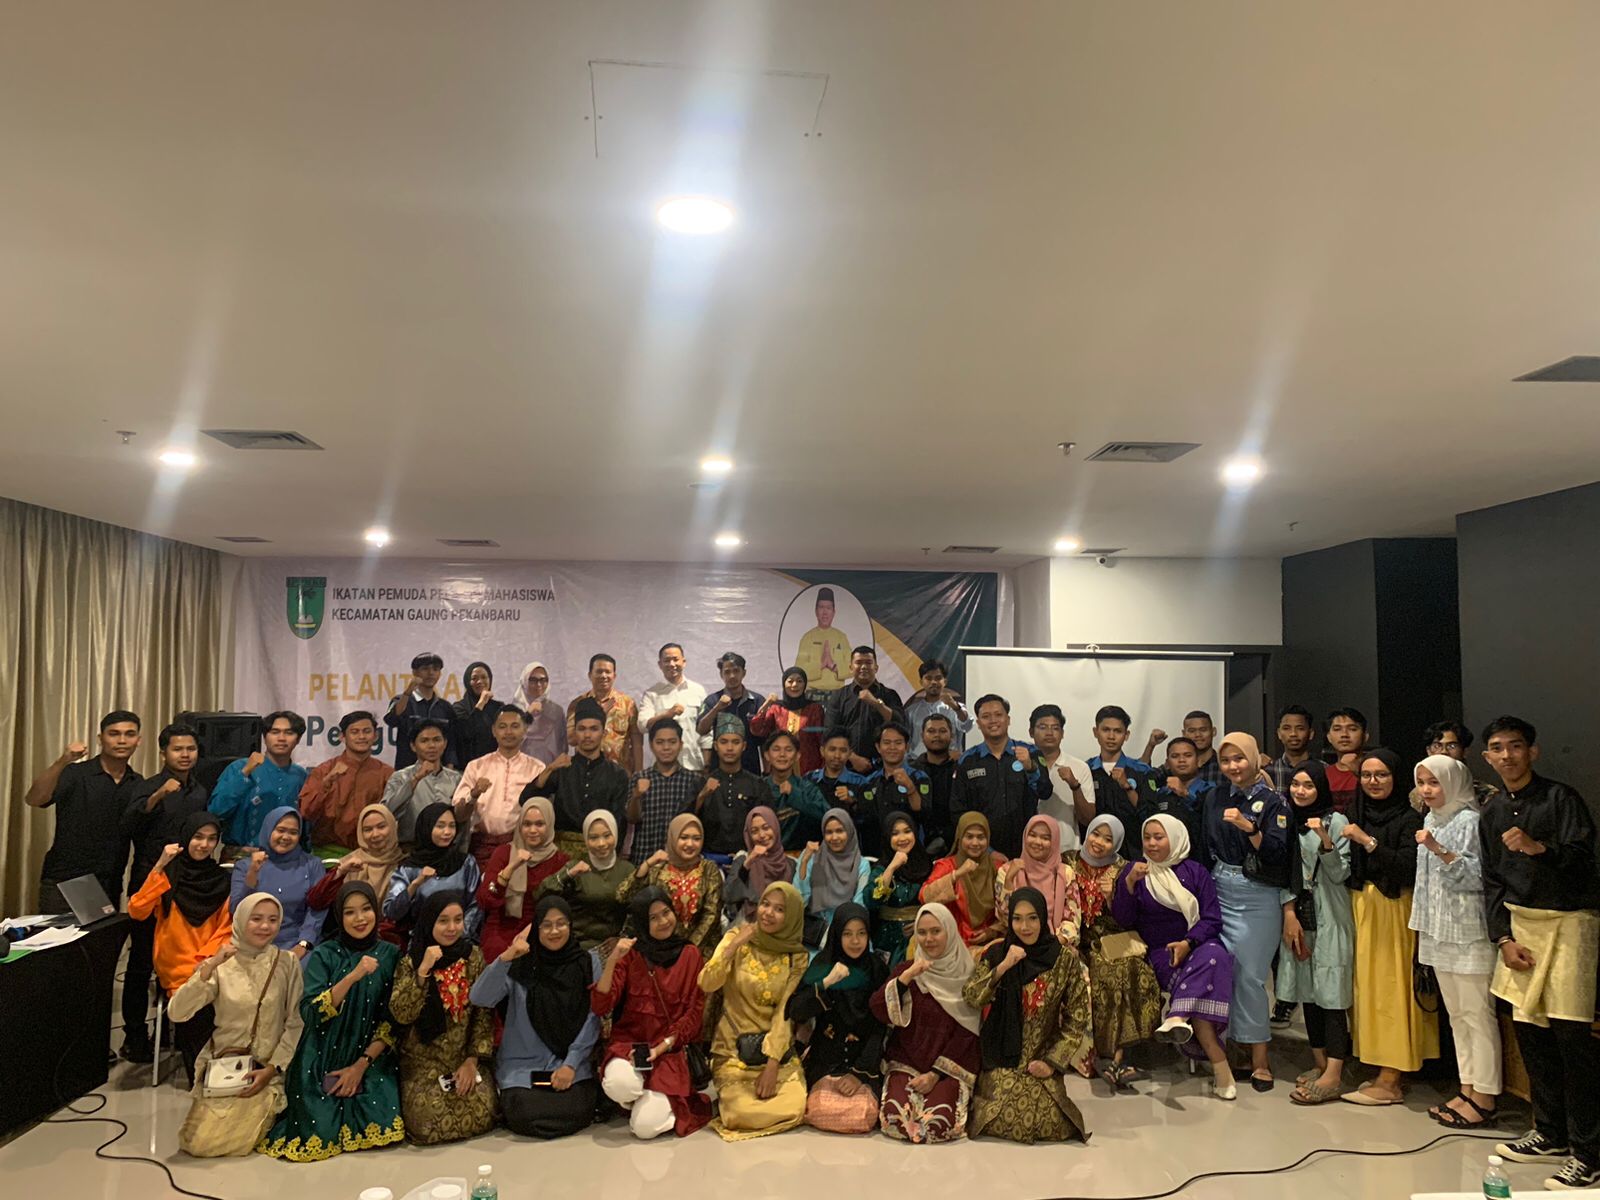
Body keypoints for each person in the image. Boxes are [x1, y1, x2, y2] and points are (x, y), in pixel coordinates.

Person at [1481, 718, 1600, 1190]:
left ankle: (1588, 1151)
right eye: (1497, 748)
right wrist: (1502, 939)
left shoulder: (1561, 799)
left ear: (1533, 751)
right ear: (1487, 758)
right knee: (1531, 1035)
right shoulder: (1492, 811)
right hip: (1521, 926)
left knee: (1573, 1040)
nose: (1507, 756)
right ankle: (1550, 1132)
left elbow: (1584, 861)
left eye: (1515, 747)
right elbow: (1491, 880)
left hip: (1569, 922)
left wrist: (1539, 849)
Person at [258, 881, 405, 1160]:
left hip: (370, 1056)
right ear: (339, 916)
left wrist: (361, 1065)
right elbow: (311, 1013)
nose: (359, 918)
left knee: (383, 1125)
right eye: (349, 912)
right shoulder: (325, 954)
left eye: (366, 909)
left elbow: (392, 1020)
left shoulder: (391, 954)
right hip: (322, 1054)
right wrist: (352, 977)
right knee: (318, 1132)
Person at [1111, 815, 1237, 1099]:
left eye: (1159, 837)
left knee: (1216, 955)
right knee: (1208, 979)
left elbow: (1212, 919)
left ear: (1176, 838)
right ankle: (1220, 1067)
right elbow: (1124, 920)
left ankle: (1177, 1015)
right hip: (1162, 954)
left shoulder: (1196, 872)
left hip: (1198, 945)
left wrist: (1188, 943)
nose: (1152, 844)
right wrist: (1128, 884)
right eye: (1147, 838)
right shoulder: (1137, 871)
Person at [169, 893, 304, 1157]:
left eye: (272, 920)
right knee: (196, 1143)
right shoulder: (222, 964)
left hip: (266, 1069)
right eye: (256, 919)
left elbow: (295, 1022)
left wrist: (271, 1069)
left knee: (234, 1140)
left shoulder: (286, 963)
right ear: (241, 920)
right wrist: (210, 966)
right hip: (225, 1068)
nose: (265, 926)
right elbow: (177, 1012)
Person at [1339, 748, 1438, 1106]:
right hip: (1360, 906)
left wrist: (1368, 842)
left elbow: (1408, 868)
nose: (1373, 782)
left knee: (1392, 989)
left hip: (1394, 909)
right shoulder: (1356, 812)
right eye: (1366, 775)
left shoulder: (1410, 819)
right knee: (1367, 990)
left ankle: (1392, 1077)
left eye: (1381, 774)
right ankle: (1378, 1064)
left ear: (1396, 778)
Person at [1409, 754, 1499, 1129]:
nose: (1427, 790)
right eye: (1422, 783)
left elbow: (1477, 876)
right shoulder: (1431, 818)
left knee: (1478, 1016)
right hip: (1438, 930)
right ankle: (1467, 1089)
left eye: (1435, 782)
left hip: (1468, 932)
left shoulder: (1470, 821)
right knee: (1457, 1016)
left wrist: (1437, 848)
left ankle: (1486, 1097)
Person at [963, 886, 1092, 1144]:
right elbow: (972, 997)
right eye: (1017, 919)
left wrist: (1052, 1062)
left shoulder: (1062, 960)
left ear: (1043, 917)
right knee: (1000, 1115)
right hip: (1001, 1057)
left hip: (1041, 1054)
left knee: (1048, 1120)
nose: (1025, 927)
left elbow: (1077, 1016)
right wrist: (1003, 967)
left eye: (1032, 918)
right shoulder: (997, 953)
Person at [1202, 731, 1292, 1091]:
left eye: (1239, 758)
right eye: (1226, 760)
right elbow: (1205, 842)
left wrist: (1249, 829)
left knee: (1251, 977)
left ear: (1254, 759)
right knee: (1224, 972)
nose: (1233, 766)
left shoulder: (1273, 801)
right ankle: (1232, 1052)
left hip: (1257, 894)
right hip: (1219, 886)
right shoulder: (1215, 796)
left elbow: (1279, 853)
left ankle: (1260, 1060)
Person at [469, 897, 602, 1139]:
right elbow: (480, 997)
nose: (554, 931)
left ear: (571, 925)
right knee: (525, 1111)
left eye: (561, 923)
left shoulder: (587, 963)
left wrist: (571, 1063)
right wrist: (507, 957)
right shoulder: (520, 965)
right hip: (523, 1067)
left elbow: (594, 1017)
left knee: (577, 1108)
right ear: (536, 929)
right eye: (546, 925)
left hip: (570, 1067)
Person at [590, 886, 712, 1139]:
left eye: (666, 913)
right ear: (641, 923)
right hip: (629, 1047)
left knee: (644, 1128)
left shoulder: (690, 954)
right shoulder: (630, 955)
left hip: (669, 1052)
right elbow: (601, 1006)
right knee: (619, 1085)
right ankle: (644, 1095)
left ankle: (651, 1098)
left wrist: (663, 1046)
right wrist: (612, 960)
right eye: (653, 918)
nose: (663, 921)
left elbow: (694, 1013)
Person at [120, 721, 208, 1064]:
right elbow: (128, 826)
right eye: (177, 749)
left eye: (190, 749)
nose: (185, 755)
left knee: (178, 959)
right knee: (141, 962)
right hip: (150, 884)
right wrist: (159, 795)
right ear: (163, 753)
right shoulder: (147, 786)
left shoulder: (200, 791)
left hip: (186, 886)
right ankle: (134, 1036)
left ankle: (171, 1029)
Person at [697, 881, 811, 1140]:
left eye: (779, 909)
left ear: (792, 916)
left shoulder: (797, 956)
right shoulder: (736, 938)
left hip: (775, 1050)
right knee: (739, 1113)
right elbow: (706, 983)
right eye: (765, 904)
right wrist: (733, 947)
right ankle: (729, 1101)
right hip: (733, 1049)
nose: (768, 913)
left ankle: (733, 1101)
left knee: (795, 1107)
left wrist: (772, 1066)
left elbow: (785, 1012)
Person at [127, 812, 233, 1083]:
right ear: (186, 837)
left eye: (212, 839)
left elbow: (225, 929)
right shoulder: (167, 875)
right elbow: (137, 910)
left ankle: (223, 1075)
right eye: (198, 837)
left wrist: (207, 961)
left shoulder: (221, 880)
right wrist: (160, 865)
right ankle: (204, 1078)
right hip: (176, 965)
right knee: (195, 1005)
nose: (204, 844)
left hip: (211, 963)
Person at [388, 891, 496, 1145]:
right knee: (426, 1122)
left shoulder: (473, 957)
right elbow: (401, 1014)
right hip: (424, 1061)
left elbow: (482, 1012)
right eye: (443, 921)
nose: (452, 928)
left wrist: (471, 1061)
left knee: (485, 1110)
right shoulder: (411, 961)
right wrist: (423, 971)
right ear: (429, 922)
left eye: (458, 920)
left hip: (463, 1056)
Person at [869, 903, 982, 1143]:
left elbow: (968, 1033)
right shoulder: (907, 970)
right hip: (906, 1062)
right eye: (922, 932)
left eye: (936, 931)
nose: (928, 939)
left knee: (937, 1125)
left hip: (948, 1068)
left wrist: (934, 1074)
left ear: (949, 932)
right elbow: (878, 1009)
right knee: (896, 1121)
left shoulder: (967, 975)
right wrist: (905, 979)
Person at [1277, 763, 1354, 1105]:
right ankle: (1320, 1064)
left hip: (1330, 915)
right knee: (1308, 992)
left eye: (1308, 785)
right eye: (1295, 784)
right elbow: (1282, 872)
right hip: (1299, 915)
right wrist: (1289, 913)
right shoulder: (1285, 821)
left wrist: (1325, 840)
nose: (1300, 791)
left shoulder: (1335, 821)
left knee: (1331, 994)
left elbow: (1340, 873)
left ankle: (1334, 1074)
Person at [1070, 815, 1162, 1088]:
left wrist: (1113, 897)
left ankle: (1118, 1057)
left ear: (1118, 843)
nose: (1099, 842)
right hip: (1076, 941)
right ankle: (1110, 1058)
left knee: (1131, 970)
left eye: (1108, 839)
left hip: (1113, 939)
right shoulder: (1068, 861)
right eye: (1095, 834)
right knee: (1105, 974)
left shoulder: (1124, 869)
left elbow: (1129, 919)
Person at [29, 710, 143, 918]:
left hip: (108, 882)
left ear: (138, 740)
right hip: (66, 880)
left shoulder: (137, 783)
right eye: (114, 734)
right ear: (100, 739)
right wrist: (63, 760)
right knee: (59, 939)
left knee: (100, 939)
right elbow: (35, 799)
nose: (122, 740)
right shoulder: (75, 773)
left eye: (129, 734)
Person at [787, 902, 889, 1133]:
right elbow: (796, 1011)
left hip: (864, 1058)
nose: (855, 941)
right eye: (847, 934)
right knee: (820, 1108)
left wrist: (858, 1074)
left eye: (861, 933)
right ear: (836, 934)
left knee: (863, 1114)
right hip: (827, 1057)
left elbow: (880, 1027)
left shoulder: (877, 969)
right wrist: (827, 982)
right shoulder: (823, 964)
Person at [524, 697, 629, 859]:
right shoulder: (562, 767)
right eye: (582, 729)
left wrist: (609, 859)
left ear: (603, 733)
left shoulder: (617, 774)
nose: (587, 735)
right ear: (575, 733)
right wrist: (550, 768)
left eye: (594, 729)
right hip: (559, 853)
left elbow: (619, 823)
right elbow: (525, 800)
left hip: (600, 852)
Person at [951, 694, 1048, 858]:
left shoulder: (1030, 752)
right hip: (981, 851)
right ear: (979, 723)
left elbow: (1045, 792)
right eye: (986, 716)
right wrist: (987, 851)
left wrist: (1031, 768)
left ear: (1008, 719)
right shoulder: (967, 760)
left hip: (1027, 850)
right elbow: (958, 811)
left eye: (998, 715)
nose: (993, 721)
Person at [620, 813, 724, 961]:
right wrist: (647, 864)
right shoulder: (658, 869)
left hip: (701, 952)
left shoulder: (709, 869)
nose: (690, 844)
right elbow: (624, 896)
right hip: (661, 952)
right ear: (673, 838)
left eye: (696, 838)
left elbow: (711, 915)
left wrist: (688, 951)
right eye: (684, 837)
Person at [475, 797, 568, 962]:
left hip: (541, 928)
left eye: (539, 824)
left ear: (549, 824)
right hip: (501, 926)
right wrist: (510, 868)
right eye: (527, 824)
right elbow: (485, 900)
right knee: (497, 952)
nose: (532, 830)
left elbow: (560, 906)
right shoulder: (504, 853)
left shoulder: (560, 860)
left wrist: (532, 930)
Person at [453, 705, 545, 868]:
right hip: (482, 846)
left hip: (522, 847)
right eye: (502, 727)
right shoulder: (476, 766)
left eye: (515, 726)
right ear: (494, 731)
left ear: (525, 730)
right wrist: (474, 794)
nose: (508, 732)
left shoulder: (537, 768)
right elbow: (459, 815)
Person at [306, 805, 406, 946]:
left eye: (381, 827)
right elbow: (316, 901)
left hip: (387, 942)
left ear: (393, 826)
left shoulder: (404, 865)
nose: (375, 834)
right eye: (368, 830)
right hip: (346, 940)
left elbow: (401, 917)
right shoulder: (349, 862)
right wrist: (340, 873)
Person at [209, 711, 309, 852]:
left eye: (289, 733)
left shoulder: (300, 775)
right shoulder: (239, 767)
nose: (281, 738)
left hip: (287, 857)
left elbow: (306, 823)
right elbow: (216, 811)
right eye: (275, 732)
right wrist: (245, 773)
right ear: (264, 736)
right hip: (242, 855)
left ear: (298, 739)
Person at [231, 807, 326, 955]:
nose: (286, 837)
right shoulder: (245, 866)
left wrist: (304, 944)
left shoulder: (312, 865)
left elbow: (317, 909)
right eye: (280, 830)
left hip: (298, 943)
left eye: (293, 832)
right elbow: (236, 911)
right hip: (254, 943)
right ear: (268, 830)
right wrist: (252, 873)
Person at [383, 803, 483, 944]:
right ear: (426, 827)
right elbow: (391, 911)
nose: (447, 832)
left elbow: (476, 903)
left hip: (459, 941)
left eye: (452, 826)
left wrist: (458, 933)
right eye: (440, 826)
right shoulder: (409, 868)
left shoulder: (466, 863)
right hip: (420, 942)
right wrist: (415, 885)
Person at [537, 809, 631, 950]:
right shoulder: (576, 866)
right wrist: (568, 874)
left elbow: (634, 912)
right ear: (586, 840)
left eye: (607, 835)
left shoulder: (627, 870)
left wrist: (623, 937)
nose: (601, 843)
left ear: (616, 835)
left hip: (614, 947)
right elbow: (541, 894)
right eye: (593, 838)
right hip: (577, 946)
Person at [299, 711, 393, 851]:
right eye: (354, 732)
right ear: (342, 737)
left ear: (375, 736)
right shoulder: (324, 771)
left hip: (373, 850)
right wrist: (326, 785)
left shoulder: (386, 773)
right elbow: (306, 812)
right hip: (328, 850)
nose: (361, 737)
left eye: (367, 731)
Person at [919, 811, 1007, 948]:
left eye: (981, 837)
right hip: (951, 943)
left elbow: (1009, 910)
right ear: (959, 837)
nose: (975, 843)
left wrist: (992, 931)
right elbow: (925, 896)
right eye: (969, 836)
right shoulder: (947, 866)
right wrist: (958, 874)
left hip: (990, 945)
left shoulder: (997, 868)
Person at [1086, 705, 1159, 858]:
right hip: (1096, 853)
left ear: (1126, 735)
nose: (1111, 736)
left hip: (1134, 853)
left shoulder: (1142, 771)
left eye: (1118, 731)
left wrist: (1127, 787)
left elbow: (1151, 816)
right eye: (1106, 730)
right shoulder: (1086, 770)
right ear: (1095, 732)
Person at [629, 717, 704, 864]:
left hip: (681, 862)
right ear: (651, 745)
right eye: (660, 742)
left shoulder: (694, 780)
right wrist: (636, 796)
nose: (666, 747)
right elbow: (632, 819)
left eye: (672, 742)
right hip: (644, 856)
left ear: (681, 745)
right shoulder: (640, 778)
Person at [998, 814, 1080, 947]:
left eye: (1045, 838)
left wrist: (1054, 944)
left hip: (1055, 943)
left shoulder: (1065, 873)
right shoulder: (1007, 871)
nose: (1037, 842)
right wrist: (1009, 881)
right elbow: (1004, 920)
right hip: (1017, 944)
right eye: (1032, 835)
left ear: (1054, 841)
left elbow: (1072, 920)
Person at [797, 808, 872, 950]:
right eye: (829, 832)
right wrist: (804, 862)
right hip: (814, 939)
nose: (834, 837)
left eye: (840, 831)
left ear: (849, 831)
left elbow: (859, 908)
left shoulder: (861, 865)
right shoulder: (812, 859)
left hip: (849, 937)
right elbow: (799, 901)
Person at [822, 646, 906, 772]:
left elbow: (899, 724)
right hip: (846, 766)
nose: (863, 667)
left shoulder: (890, 695)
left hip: (883, 767)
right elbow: (830, 732)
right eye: (859, 662)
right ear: (851, 667)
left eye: (868, 663)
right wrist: (853, 758)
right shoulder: (839, 696)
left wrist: (877, 704)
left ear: (876, 667)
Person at [379, 719, 462, 845]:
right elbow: (386, 813)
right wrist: (415, 779)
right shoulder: (400, 777)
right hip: (410, 848)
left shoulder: (456, 778)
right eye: (424, 741)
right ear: (413, 746)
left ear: (445, 743)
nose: (432, 745)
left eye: (437, 740)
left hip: (448, 849)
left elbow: (464, 820)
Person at [693, 715, 766, 858]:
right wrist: (701, 796)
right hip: (708, 860)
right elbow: (685, 821)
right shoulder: (701, 783)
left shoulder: (757, 785)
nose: (730, 748)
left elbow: (767, 827)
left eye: (735, 742)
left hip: (749, 859)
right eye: (724, 742)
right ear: (715, 746)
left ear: (744, 746)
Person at [868, 811, 934, 964]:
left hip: (924, 936)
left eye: (907, 831)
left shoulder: (927, 864)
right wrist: (891, 867)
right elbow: (871, 900)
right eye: (895, 833)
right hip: (889, 940)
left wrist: (922, 923)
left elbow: (937, 901)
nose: (902, 838)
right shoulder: (881, 867)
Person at [857, 721, 931, 857]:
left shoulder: (919, 777)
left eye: (898, 743)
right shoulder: (868, 782)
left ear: (906, 747)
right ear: (878, 747)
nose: (892, 747)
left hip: (912, 852)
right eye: (887, 743)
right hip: (877, 853)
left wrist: (910, 787)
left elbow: (923, 814)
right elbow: (866, 821)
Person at [1027, 703, 1092, 855]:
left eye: (1055, 728)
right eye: (1043, 727)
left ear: (1062, 733)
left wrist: (1074, 785)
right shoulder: (1022, 766)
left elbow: (1088, 819)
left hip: (1067, 852)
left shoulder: (1079, 767)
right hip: (1028, 851)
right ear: (1031, 732)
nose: (1049, 733)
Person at [638, 642, 709, 771]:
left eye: (675, 659)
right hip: (662, 769)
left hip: (695, 765)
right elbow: (642, 725)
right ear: (660, 665)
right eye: (667, 660)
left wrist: (707, 764)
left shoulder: (698, 691)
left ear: (684, 662)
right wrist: (667, 715)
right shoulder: (652, 694)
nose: (672, 664)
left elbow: (707, 731)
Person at [567, 652, 641, 773]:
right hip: (587, 773)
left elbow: (636, 741)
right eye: (599, 671)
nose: (603, 676)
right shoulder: (578, 704)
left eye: (607, 672)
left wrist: (639, 773)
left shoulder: (628, 704)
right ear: (590, 675)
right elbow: (571, 739)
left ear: (614, 675)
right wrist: (597, 714)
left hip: (621, 774)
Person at [383, 653, 456, 770]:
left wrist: (450, 769)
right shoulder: (402, 700)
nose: (431, 673)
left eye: (435, 669)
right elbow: (391, 720)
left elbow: (451, 741)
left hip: (438, 772)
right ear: (415, 672)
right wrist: (407, 692)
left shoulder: (445, 707)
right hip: (407, 770)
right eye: (425, 669)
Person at [749, 666, 826, 775]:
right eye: (790, 681)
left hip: (810, 772)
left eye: (799, 681)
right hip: (780, 772)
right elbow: (757, 729)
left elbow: (822, 740)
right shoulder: (776, 709)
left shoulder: (814, 709)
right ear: (784, 684)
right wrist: (767, 704)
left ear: (805, 685)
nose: (795, 685)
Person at [696, 652, 764, 774]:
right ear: (721, 675)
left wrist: (767, 770)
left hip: (751, 769)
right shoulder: (712, 700)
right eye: (727, 672)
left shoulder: (757, 700)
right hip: (719, 770)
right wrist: (717, 708)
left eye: (736, 671)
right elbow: (701, 730)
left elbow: (765, 740)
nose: (732, 676)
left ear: (744, 673)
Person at [1409, 721, 1498, 813]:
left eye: (1451, 746)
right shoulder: (1418, 794)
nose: (1444, 751)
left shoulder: (1487, 794)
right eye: (1437, 746)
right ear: (1428, 751)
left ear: (1465, 751)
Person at [761, 729, 828, 850]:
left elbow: (827, 816)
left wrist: (794, 794)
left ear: (797, 756)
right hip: (764, 855)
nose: (782, 754)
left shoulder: (807, 788)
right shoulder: (758, 787)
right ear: (766, 755)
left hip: (802, 855)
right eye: (776, 749)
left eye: (788, 750)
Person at [727, 804, 794, 924]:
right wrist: (747, 864)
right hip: (748, 925)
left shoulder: (790, 864)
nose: (762, 835)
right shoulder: (743, 860)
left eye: (766, 828)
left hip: (783, 927)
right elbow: (729, 895)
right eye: (754, 831)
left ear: (775, 827)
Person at [1138, 736, 1208, 850]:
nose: (1181, 760)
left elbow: (1207, 819)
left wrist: (1186, 794)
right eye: (1175, 756)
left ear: (1198, 761)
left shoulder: (1210, 790)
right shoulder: (1162, 793)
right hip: (1164, 855)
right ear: (1167, 763)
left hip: (1199, 856)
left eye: (1188, 755)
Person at [806, 726, 870, 848]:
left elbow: (869, 820)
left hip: (849, 849)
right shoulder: (809, 780)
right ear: (822, 751)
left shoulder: (860, 782)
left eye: (843, 750)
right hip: (815, 847)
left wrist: (852, 801)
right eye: (832, 749)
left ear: (849, 753)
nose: (837, 755)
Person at [910, 712, 961, 853]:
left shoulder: (962, 767)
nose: (937, 735)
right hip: (918, 843)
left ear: (952, 735)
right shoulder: (912, 771)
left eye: (942, 731)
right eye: (931, 731)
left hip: (958, 842)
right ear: (922, 736)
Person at [903, 659, 973, 759]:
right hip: (918, 762)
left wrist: (955, 707)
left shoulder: (956, 708)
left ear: (945, 681)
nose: (933, 682)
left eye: (938, 678)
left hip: (949, 762)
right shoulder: (911, 711)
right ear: (921, 682)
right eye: (928, 678)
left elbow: (967, 726)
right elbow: (905, 740)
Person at [794, 587, 852, 694]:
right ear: (816, 611)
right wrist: (821, 664)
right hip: (812, 694)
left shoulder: (841, 637)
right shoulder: (808, 637)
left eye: (828, 608)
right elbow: (799, 670)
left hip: (838, 694)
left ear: (834, 612)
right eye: (821, 607)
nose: (825, 612)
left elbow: (852, 668)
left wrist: (833, 666)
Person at [512, 661, 568, 765]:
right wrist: (528, 715)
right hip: (520, 768)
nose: (539, 684)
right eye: (533, 680)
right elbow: (510, 742)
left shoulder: (556, 711)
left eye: (543, 680)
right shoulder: (513, 711)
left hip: (551, 768)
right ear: (524, 681)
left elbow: (562, 745)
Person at [453, 661, 505, 765]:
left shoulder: (498, 707)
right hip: (468, 766)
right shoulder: (459, 707)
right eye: (474, 678)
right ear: (467, 682)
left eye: (484, 677)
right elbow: (466, 732)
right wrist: (481, 704)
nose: (480, 681)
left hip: (495, 766)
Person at [1323, 707, 1369, 813]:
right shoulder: (1323, 775)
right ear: (1329, 737)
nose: (1344, 735)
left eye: (1352, 729)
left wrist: (1359, 773)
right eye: (1337, 729)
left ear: (1365, 736)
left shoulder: (1377, 772)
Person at [1267, 705, 1317, 795]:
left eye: (1300, 728)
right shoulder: (1268, 771)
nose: (1293, 734)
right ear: (1279, 733)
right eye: (1286, 728)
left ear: (1311, 733)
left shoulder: (1324, 770)